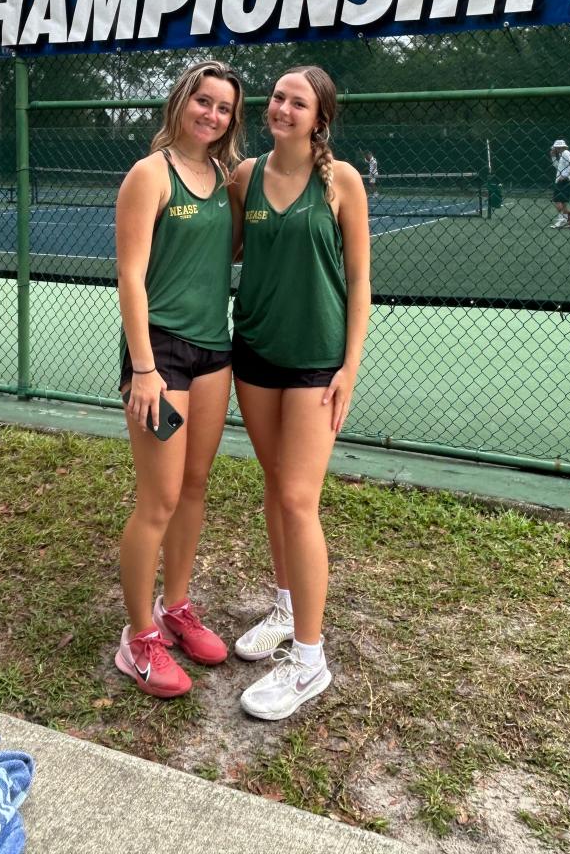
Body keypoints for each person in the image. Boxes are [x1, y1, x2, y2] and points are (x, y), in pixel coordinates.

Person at [230, 65, 371, 720]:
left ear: (320, 118)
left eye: (298, 101)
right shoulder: (244, 177)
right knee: (272, 482)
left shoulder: (341, 182)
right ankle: (286, 611)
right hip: (254, 355)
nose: (282, 106)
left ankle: (310, 662)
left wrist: (349, 366)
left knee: (297, 496)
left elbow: (361, 282)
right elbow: (220, 247)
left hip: (316, 364)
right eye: (278, 97)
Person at [113, 60, 245, 699]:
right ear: (181, 103)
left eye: (223, 108)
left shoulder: (224, 179)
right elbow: (131, 276)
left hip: (214, 353)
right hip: (160, 354)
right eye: (204, 101)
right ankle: (137, 636)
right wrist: (142, 368)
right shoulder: (150, 173)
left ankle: (176, 606)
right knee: (158, 499)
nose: (212, 115)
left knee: (194, 487)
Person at [550, 139, 570, 228]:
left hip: (563, 181)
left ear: (558, 147)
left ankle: (562, 220)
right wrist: (553, 157)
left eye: (555, 148)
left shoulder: (565, 153)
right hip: (564, 181)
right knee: (563, 203)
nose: (554, 150)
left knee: (557, 200)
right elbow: (558, 167)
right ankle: (567, 220)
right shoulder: (563, 154)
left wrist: (564, 176)